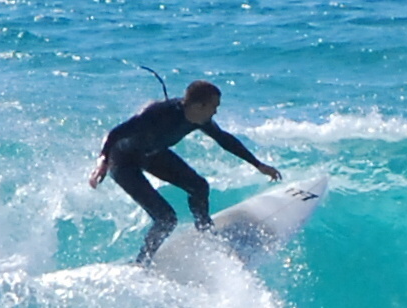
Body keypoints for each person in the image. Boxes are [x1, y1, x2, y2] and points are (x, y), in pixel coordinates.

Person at [89, 79, 282, 262]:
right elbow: (115, 133)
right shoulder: (157, 113)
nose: (215, 112)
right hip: (123, 162)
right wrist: (102, 162)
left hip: (153, 154)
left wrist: (258, 165)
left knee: (199, 186)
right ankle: (142, 262)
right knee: (166, 219)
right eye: (214, 107)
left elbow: (224, 140)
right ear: (199, 106)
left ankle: (205, 233)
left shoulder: (199, 119)